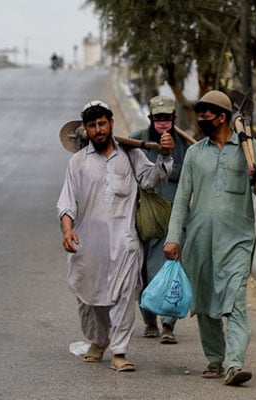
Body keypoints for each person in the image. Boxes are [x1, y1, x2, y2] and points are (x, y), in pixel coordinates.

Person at [163, 90, 256, 386]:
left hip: (237, 240)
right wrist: (173, 238)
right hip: (199, 239)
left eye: (205, 115)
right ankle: (215, 357)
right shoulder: (194, 154)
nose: (201, 120)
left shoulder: (248, 149)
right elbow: (182, 199)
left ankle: (235, 362)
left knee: (235, 299)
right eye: (199, 114)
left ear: (223, 117)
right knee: (204, 299)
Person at [57, 100, 174, 372]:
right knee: (91, 296)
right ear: (86, 130)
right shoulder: (77, 163)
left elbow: (151, 179)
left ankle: (120, 351)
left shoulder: (131, 156)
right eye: (92, 125)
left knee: (122, 296)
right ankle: (99, 340)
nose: (98, 130)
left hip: (125, 242)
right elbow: (67, 202)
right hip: (88, 245)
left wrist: (165, 157)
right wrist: (67, 229)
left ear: (111, 123)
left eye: (102, 123)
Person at [130, 95, 191, 344]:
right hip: (143, 217)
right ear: (151, 119)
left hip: (174, 218)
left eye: (167, 119)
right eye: (158, 119)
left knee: (170, 269)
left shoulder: (186, 145)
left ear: (174, 119)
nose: (163, 124)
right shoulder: (137, 140)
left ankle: (168, 323)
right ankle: (149, 321)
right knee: (143, 271)